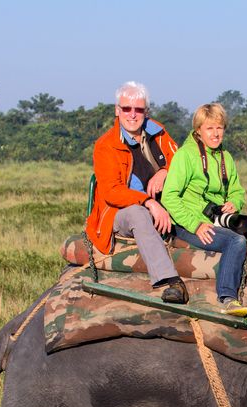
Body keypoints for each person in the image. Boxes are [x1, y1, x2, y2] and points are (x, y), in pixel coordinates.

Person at [85, 81, 188, 304]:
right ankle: (169, 280)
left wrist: (164, 171)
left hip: (163, 205)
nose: (133, 115)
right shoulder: (106, 146)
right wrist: (148, 202)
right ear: (117, 110)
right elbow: (112, 192)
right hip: (120, 213)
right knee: (137, 213)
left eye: (139, 109)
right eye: (127, 109)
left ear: (146, 112)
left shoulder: (158, 133)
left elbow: (181, 161)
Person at [161, 103, 247, 317]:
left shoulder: (225, 157)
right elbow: (169, 196)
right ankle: (228, 298)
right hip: (188, 223)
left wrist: (234, 203)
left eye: (219, 128)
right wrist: (195, 224)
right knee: (235, 241)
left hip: (217, 220)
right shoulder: (185, 155)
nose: (215, 133)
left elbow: (237, 190)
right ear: (198, 130)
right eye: (209, 128)